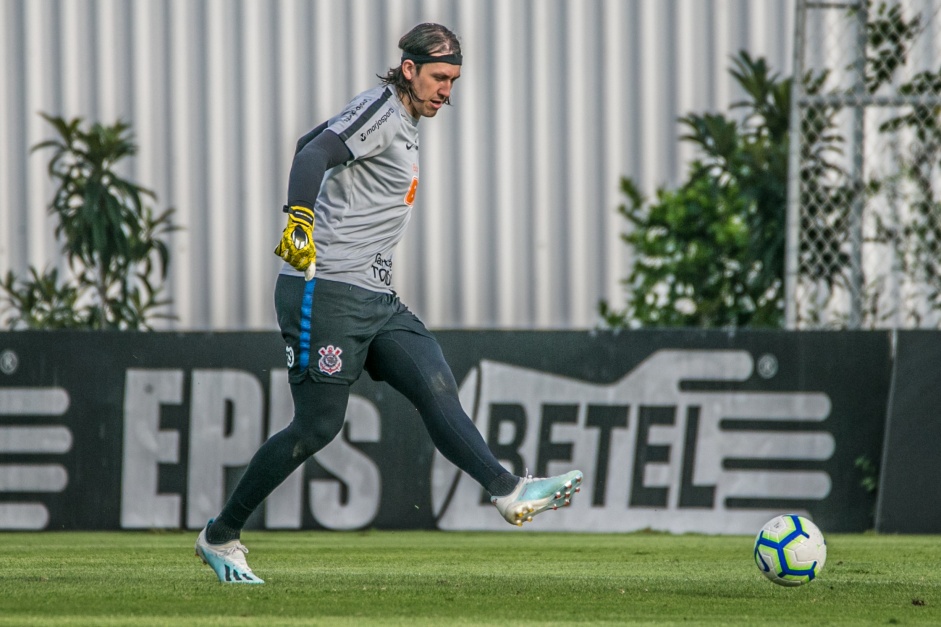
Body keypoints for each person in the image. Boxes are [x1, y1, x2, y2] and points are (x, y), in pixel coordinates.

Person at [194, 22, 582, 585]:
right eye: (440, 77)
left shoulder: (397, 118)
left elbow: (310, 143)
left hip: (375, 296)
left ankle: (507, 490)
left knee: (435, 382)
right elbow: (315, 157)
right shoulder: (383, 110)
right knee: (316, 428)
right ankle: (221, 535)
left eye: (454, 79)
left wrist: (316, 183)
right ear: (408, 70)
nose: (448, 90)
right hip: (321, 289)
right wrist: (300, 217)